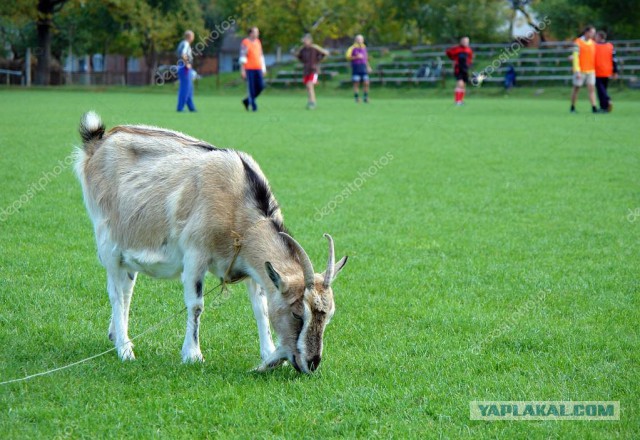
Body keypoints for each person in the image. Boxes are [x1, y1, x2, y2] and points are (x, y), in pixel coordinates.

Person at [296, 34, 329, 109]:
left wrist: (318, 61)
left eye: (306, 40)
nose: (304, 42)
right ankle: (310, 101)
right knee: (308, 87)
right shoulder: (302, 49)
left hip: (314, 70)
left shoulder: (315, 48)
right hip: (306, 70)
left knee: (310, 85)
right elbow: (298, 56)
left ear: (310, 41)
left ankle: (313, 102)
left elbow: (326, 53)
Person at [570, 25, 597, 114]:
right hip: (580, 70)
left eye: (594, 33)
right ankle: (573, 107)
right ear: (586, 32)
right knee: (576, 88)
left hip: (591, 70)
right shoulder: (577, 42)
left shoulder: (593, 43)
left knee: (592, 89)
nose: (593, 34)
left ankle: (594, 107)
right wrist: (577, 71)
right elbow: (575, 57)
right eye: (592, 32)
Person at [240, 27, 266, 112]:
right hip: (249, 68)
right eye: (256, 32)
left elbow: (261, 55)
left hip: (258, 68)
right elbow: (242, 57)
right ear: (251, 33)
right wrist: (242, 70)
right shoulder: (245, 42)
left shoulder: (258, 42)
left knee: (261, 86)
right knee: (251, 88)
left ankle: (247, 101)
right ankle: (254, 106)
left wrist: (263, 68)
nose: (257, 34)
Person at [594, 30, 618, 113]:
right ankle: (604, 107)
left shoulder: (595, 46)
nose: (595, 38)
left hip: (598, 71)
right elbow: (614, 60)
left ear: (600, 37)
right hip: (607, 71)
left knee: (601, 90)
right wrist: (615, 71)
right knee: (603, 89)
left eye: (596, 36)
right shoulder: (610, 46)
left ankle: (608, 99)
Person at [445, 37, 473, 105]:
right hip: (458, 68)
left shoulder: (469, 50)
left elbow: (470, 58)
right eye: (464, 41)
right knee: (460, 83)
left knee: (463, 85)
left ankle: (460, 100)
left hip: (465, 69)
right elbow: (448, 52)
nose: (466, 43)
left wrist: (469, 64)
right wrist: (453, 59)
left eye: (467, 41)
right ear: (461, 42)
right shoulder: (457, 49)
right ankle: (457, 101)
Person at [346, 35, 372, 103]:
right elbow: (348, 57)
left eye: (361, 39)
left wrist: (368, 66)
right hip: (356, 67)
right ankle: (356, 97)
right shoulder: (352, 48)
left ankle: (365, 97)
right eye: (358, 39)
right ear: (356, 40)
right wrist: (356, 57)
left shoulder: (364, 47)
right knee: (356, 82)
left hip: (363, 67)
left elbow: (365, 58)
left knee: (366, 82)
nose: (360, 41)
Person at [176, 30, 196, 112]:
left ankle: (191, 108)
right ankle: (180, 108)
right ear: (190, 37)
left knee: (189, 88)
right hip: (184, 68)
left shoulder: (183, 43)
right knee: (185, 88)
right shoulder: (186, 44)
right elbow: (183, 54)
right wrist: (187, 63)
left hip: (184, 67)